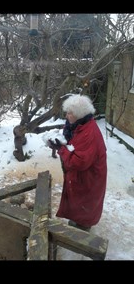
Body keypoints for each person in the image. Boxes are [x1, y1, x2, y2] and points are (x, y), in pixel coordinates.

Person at [48, 94, 107, 232]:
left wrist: (61, 149)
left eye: (69, 113)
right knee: (79, 200)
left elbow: (79, 162)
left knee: (85, 202)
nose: (66, 115)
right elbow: (72, 142)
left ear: (79, 114)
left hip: (89, 177)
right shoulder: (78, 125)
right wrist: (60, 142)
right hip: (83, 176)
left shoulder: (89, 133)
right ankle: (78, 221)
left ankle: (82, 228)